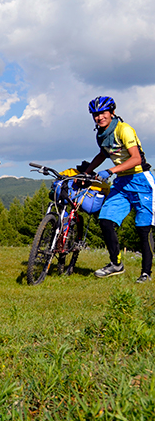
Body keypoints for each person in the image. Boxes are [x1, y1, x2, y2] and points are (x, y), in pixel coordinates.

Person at [78, 96, 153, 282]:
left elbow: (136, 159)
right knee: (105, 220)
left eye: (103, 113)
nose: (99, 117)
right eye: (95, 115)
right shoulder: (101, 134)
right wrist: (87, 172)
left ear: (111, 112)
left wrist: (110, 170)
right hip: (121, 183)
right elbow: (103, 154)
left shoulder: (124, 129)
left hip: (141, 181)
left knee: (143, 230)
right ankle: (116, 264)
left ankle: (146, 273)